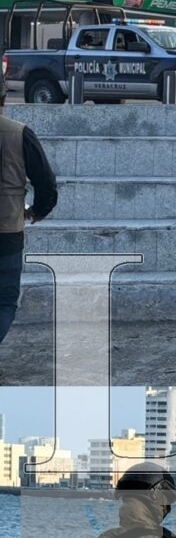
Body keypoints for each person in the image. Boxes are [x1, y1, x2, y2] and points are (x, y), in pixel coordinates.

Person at [0, 80, 58, 345]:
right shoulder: (19, 133)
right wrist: (38, 210)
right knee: (5, 301)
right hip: (7, 229)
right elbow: (45, 182)